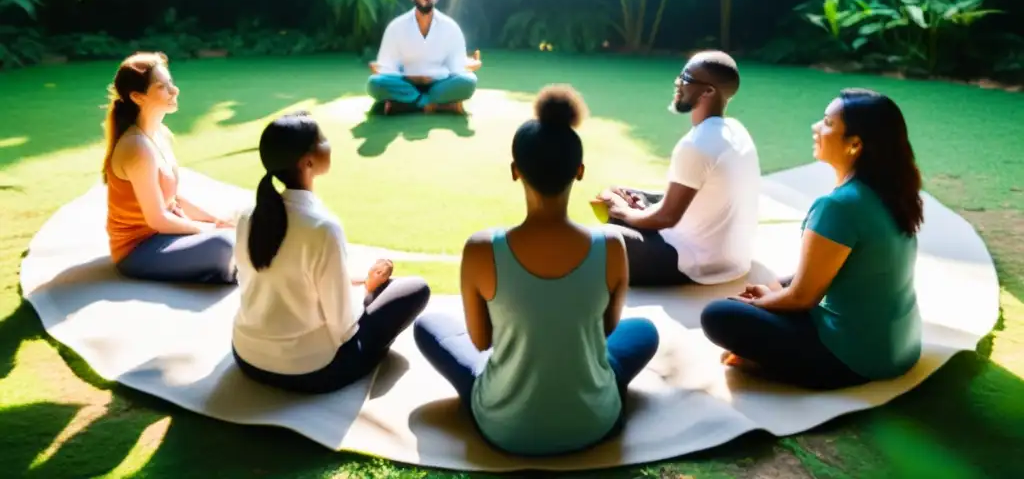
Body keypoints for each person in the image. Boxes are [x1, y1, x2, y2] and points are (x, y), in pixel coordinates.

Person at [413, 86, 659, 457]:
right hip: (596, 421)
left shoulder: (481, 249)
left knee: (429, 327)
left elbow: (481, 342)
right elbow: (605, 330)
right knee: (643, 331)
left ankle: (509, 395)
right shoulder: (611, 246)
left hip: (504, 428)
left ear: (515, 171)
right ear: (579, 172)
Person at [699, 89, 924, 390]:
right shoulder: (890, 192)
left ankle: (774, 364)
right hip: (900, 347)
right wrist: (774, 289)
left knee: (718, 314)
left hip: (855, 359)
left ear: (855, 145)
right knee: (773, 287)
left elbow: (803, 298)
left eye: (828, 123)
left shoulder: (839, 206)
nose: (816, 127)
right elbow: (828, 273)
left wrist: (763, 304)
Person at [231, 111, 430, 393]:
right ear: (308, 161)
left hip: (247, 357)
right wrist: (368, 291)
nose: (329, 144)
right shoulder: (323, 228)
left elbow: (252, 283)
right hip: (309, 371)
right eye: (322, 139)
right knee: (415, 289)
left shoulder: (247, 215)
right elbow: (344, 327)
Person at [598, 50, 761, 287]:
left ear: (708, 91)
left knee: (597, 239)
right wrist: (642, 204)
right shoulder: (735, 130)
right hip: (731, 258)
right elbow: (697, 199)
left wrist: (623, 211)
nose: (678, 82)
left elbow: (666, 217)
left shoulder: (696, 145)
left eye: (686, 77)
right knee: (623, 193)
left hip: (695, 263)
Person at [102, 52, 236, 284]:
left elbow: (172, 198)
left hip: (166, 233)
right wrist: (209, 231)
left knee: (241, 219)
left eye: (171, 83)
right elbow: (157, 220)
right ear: (137, 97)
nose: (175, 91)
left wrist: (216, 221)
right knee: (223, 245)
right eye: (163, 87)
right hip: (139, 249)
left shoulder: (160, 134)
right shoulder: (136, 147)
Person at [367, 0, 482, 115]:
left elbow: (457, 65)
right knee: (375, 83)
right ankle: (437, 104)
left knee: (468, 81)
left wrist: (471, 64)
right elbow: (387, 66)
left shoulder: (451, 27)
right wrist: (410, 77)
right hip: (406, 83)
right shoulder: (396, 27)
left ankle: (409, 104)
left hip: (439, 84)